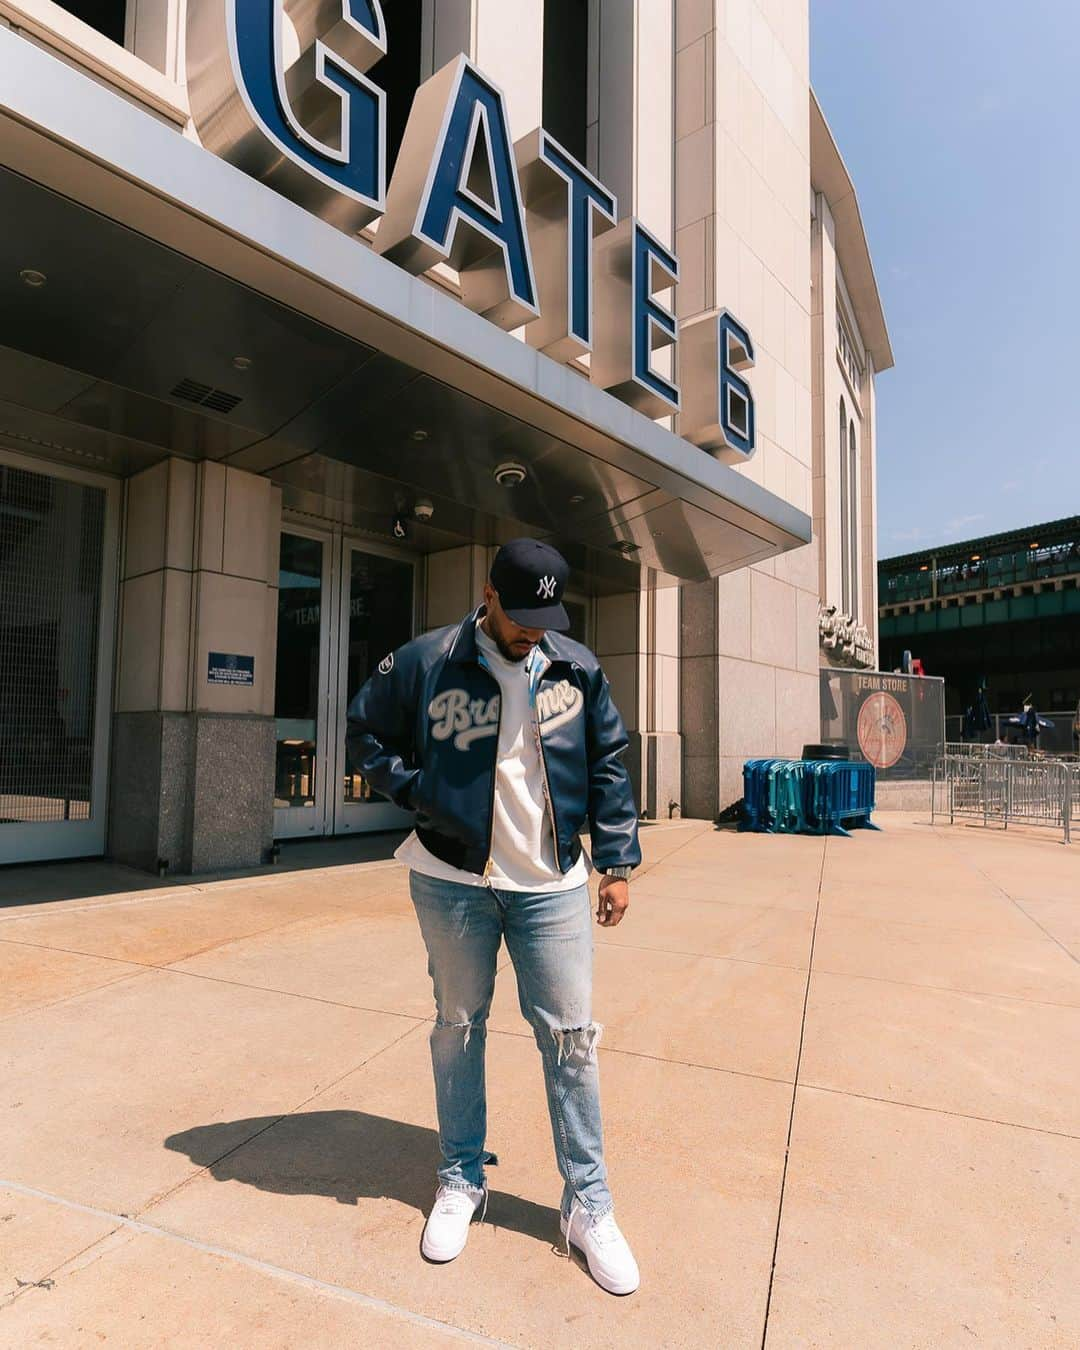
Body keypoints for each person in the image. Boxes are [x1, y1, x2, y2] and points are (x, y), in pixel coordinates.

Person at [345, 538, 642, 1295]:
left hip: (552, 885)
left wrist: (617, 860)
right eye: (521, 613)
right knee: (458, 1030)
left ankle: (588, 1206)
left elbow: (609, 758)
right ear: (488, 593)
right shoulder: (427, 660)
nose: (531, 630)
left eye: (547, 615)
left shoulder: (574, 666)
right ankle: (460, 1178)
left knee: (571, 1042)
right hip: (452, 878)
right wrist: (422, 791)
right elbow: (364, 730)